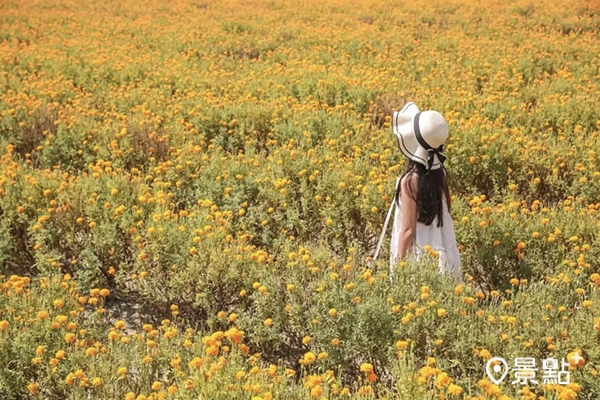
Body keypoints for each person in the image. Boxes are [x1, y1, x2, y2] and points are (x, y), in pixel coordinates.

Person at [388, 102, 463, 284]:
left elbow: (407, 230)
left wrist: (399, 270)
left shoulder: (410, 181)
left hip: (419, 256)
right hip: (442, 251)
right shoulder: (440, 174)